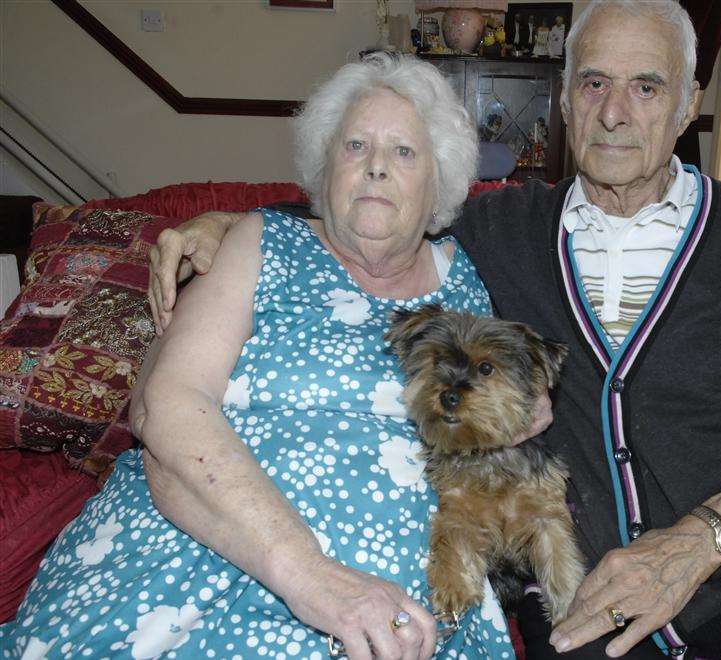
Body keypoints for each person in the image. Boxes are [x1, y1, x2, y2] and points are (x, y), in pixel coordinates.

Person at [149, 2, 721, 659]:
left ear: (689, 104)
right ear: (563, 99)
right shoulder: (500, 227)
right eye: (594, 84)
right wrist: (225, 226)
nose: (615, 113)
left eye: (646, 87)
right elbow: (370, 212)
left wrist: (699, 543)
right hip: (588, 616)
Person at [0, 53, 520, 660]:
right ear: (323, 169)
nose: (377, 167)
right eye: (355, 146)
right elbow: (169, 403)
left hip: (401, 575)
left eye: (405, 152)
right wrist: (308, 572)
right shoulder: (259, 242)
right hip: (197, 540)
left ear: (441, 181)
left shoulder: (470, 278)